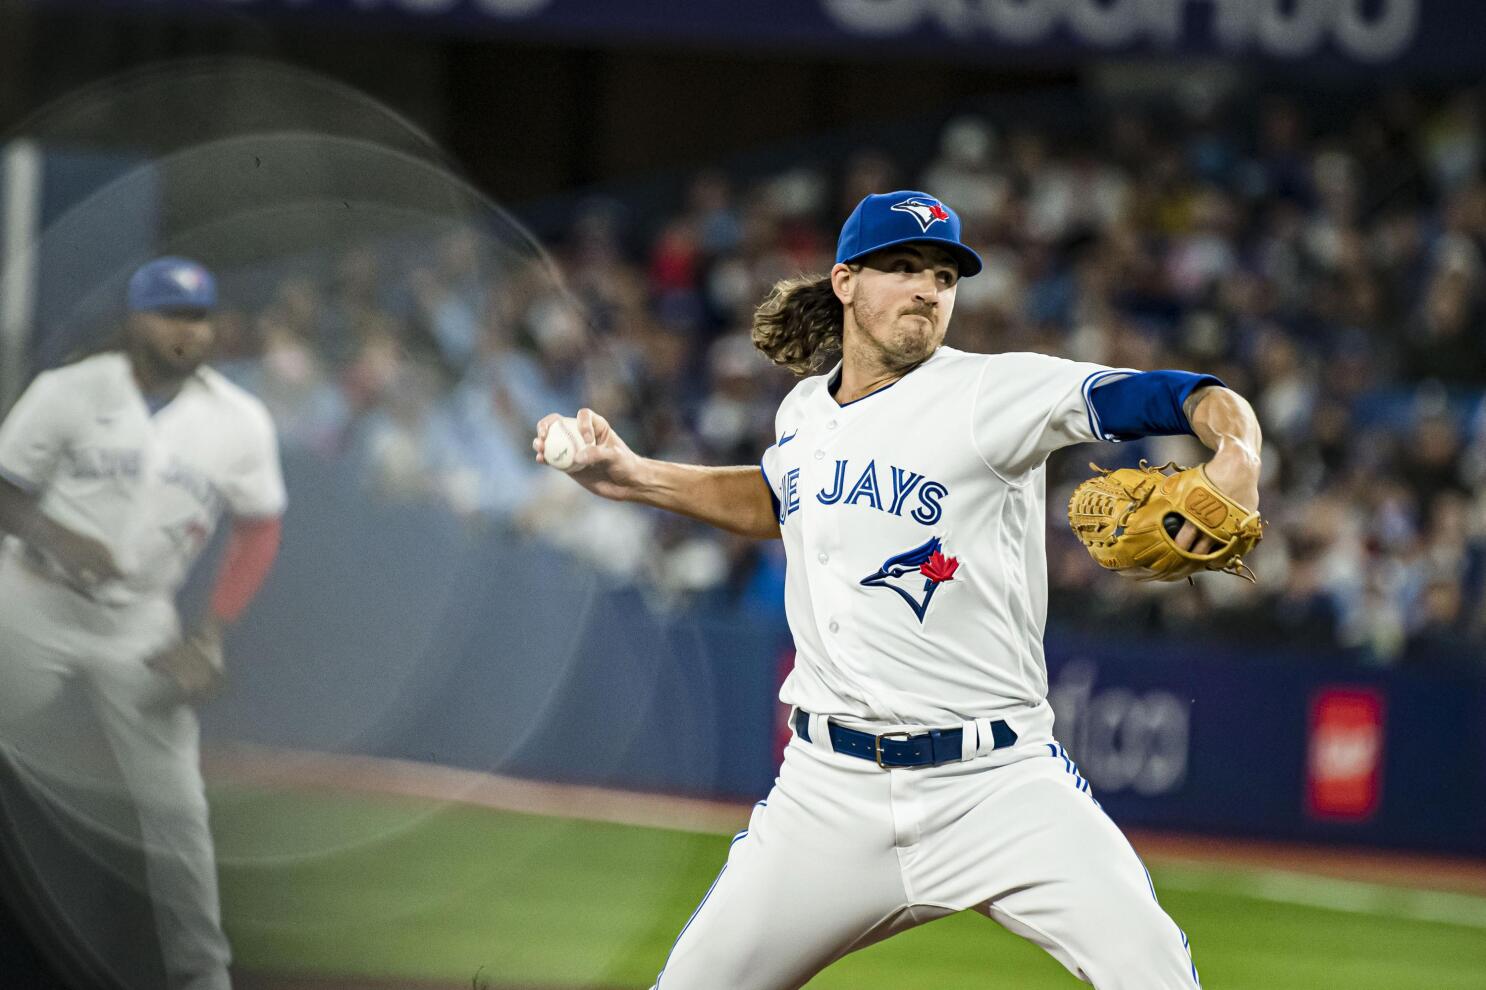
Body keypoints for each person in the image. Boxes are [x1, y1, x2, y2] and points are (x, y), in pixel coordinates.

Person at [533, 191, 1262, 989]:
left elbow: (1179, 393)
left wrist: (1239, 454)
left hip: (999, 783)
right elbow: (780, 500)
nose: (927, 288)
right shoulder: (804, 411)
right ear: (845, 281)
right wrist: (635, 476)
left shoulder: (994, 393)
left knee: (1156, 974)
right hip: (829, 791)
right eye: (903, 267)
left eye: (944, 275)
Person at [0, 257, 286, 990]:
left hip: (139, 622)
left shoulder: (239, 421)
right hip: (31, 602)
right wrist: (62, 539)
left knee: (177, 805)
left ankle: (202, 978)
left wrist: (212, 635)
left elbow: (259, 528)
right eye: (170, 313)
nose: (188, 329)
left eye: (198, 316)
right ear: (134, 321)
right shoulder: (70, 392)